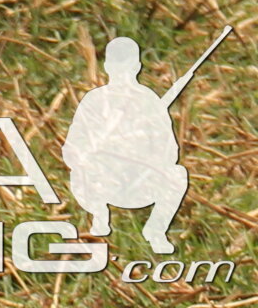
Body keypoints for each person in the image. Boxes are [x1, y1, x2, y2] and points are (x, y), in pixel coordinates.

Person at [66, 34, 204, 254]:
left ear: (137, 67)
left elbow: (170, 151)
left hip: (140, 181)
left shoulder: (149, 101)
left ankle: (156, 231)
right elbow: (72, 148)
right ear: (108, 67)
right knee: (80, 172)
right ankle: (99, 221)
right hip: (102, 180)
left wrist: (141, 152)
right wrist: (96, 155)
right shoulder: (94, 101)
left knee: (178, 174)